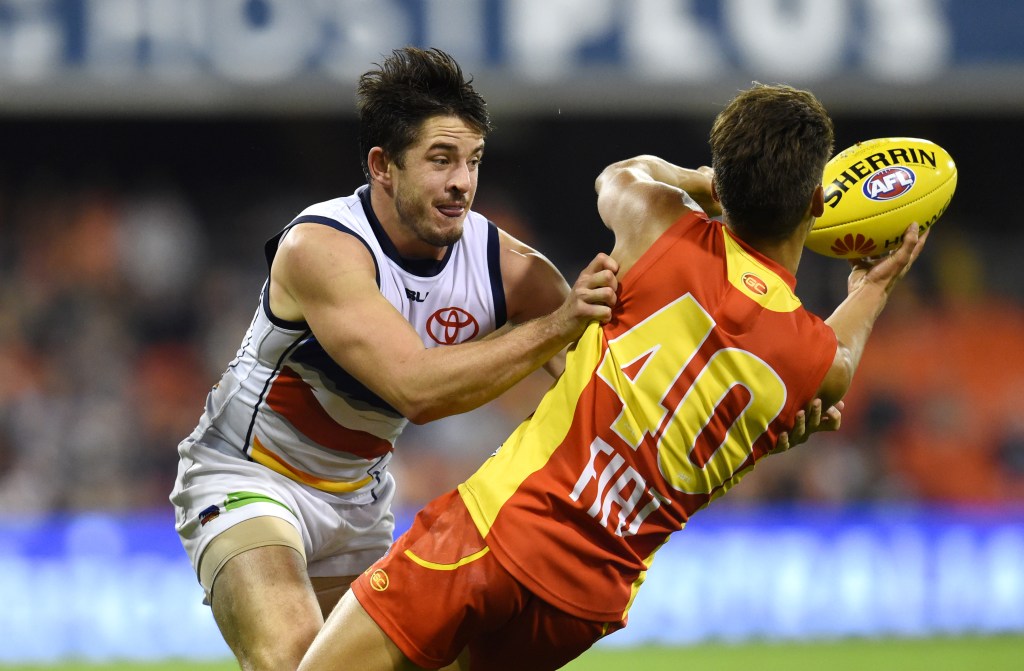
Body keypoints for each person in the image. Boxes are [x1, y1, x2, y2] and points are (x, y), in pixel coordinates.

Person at [296, 83, 927, 671]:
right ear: (816, 203)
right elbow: (839, 356)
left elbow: (620, 174)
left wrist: (698, 183)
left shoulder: (661, 227)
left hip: (500, 531)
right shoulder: (814, 363)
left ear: (724, 186)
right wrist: (875, 283)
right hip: (586, 600)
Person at [169, 47, 621, 671]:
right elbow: (417, 389)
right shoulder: (322, 246)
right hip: (251, 479)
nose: (462, 182)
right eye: (440, 160)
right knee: (294, 660)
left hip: (361, 502)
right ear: (383, 166)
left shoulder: (509, 270)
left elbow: (611, 385)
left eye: (473, 161)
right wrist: (562, 322)